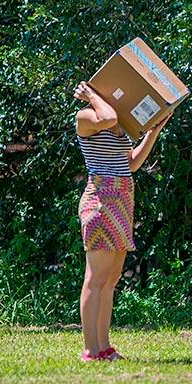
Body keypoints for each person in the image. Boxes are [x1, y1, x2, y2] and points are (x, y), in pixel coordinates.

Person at [74, 81, 172, 361]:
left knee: (111, 280)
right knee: (96, 279)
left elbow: (131, 163)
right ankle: (91, 351)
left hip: (122, 199)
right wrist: (91, 95)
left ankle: (104, 347)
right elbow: (108, 117)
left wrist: (154, 131)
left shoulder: (121, 126)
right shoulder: (87, 117)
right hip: (101, 200)